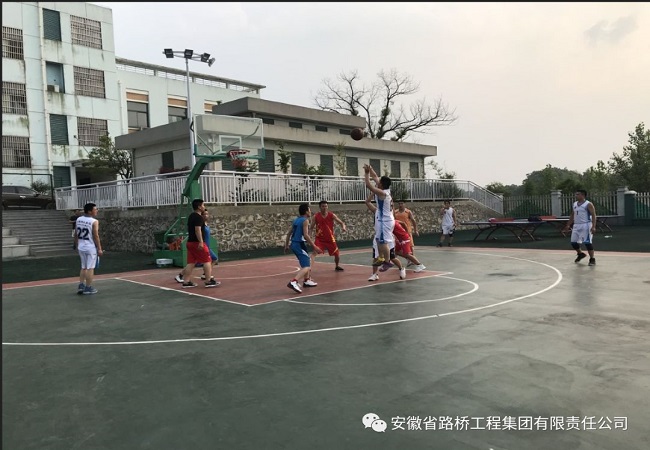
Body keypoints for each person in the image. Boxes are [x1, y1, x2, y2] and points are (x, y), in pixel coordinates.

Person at [365, 193, 406, 281]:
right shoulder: (376, 211)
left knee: (392, 258)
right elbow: (367, 202)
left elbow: (391, 207)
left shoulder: (388, 213)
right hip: (378, 237)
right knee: (376, 257)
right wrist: (373, 192)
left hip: (388, 238)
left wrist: (389, 198)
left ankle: (401, 268)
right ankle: (374, 274)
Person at [179, 199, 219, 288]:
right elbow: (197, 230)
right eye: (203, 205)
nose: (204, 207)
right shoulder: (199, 217)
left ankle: (186, 282)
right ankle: (208, 281)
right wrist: (201, 242)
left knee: (191, 262)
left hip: (190, 242)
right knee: (207, 260)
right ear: (199, 207)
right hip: (197, 243)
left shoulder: (191, 216)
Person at [284, 203, 323, 293]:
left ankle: (307, 280)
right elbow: (306, 235)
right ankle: (293, 281)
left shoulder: (296, 220)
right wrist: (314, 246)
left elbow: (289, 233)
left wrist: (286, 245)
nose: (310, 212)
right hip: (298, 244)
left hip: (296, 244)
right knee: (307, 266)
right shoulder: (305, 221)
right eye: (309, 210)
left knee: (307, 261)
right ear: (306, 212)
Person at [363, 164, 394, 267]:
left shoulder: (382, 193)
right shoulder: (385, 190)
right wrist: (371, 169)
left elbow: (368, 185)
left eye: (379, 182)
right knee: (378, 239)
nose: (378, 182)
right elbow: (375, 176)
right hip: (385, 219)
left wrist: (367, 173)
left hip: (385, 220)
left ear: (382, 184)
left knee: (383, 242)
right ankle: (381, 258)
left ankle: (387, 261)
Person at [562, 189, 597, 266]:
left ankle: (592, 259)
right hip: (576, 225)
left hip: (586, 225)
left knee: (587, 243)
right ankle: (580, 254)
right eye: (576, 194)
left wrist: (593, 226)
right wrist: (568, 225)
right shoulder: (575, 204)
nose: (576, 196)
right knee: (573, 242)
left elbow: (593, 215)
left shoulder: (588, 204)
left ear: (583, 195)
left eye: (578, 194)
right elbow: (573, 214)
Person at [75, 203, 103, 295]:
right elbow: (96, 236)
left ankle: (81, 285)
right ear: (90, 211)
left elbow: (76, 233)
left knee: (83, 267)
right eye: (95, 209)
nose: (97, 210)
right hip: (90, 247)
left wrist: (76, 244)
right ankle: (88, 287)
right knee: (90, 267)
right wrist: (99, 248)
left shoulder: (79, 219)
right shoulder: (94, 221)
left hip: (81, 246)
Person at [311, 200, 347, 271]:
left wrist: (343, 227)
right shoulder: (316, 216)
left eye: (326, 206)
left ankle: (337, 266)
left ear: (327, 207)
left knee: (337, 254)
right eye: (323, 206)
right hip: (319, 239)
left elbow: (341, 223)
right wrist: (309, 235)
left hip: (330, 238)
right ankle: (309, 268)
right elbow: (311, 228)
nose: (324, 208)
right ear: (320, 207)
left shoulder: (331, 215)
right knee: (314, 253)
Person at [394, 200, 419, 265]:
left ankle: (412, 260)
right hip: (398, 233)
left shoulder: (408, 212)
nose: (400, 205)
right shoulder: (395, 212)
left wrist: (415, 230)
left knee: (410, 246)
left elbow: (413, 221)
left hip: (407, 232)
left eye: (402, 203)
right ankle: (394, 259)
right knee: (396, 246)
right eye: (399, 203)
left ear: (405, 204)